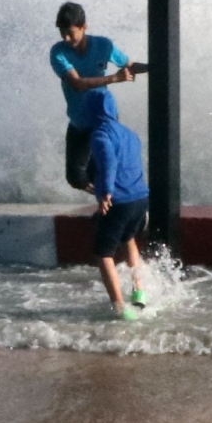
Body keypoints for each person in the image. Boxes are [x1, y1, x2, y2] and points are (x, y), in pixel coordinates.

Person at [49, 2, 146, 193]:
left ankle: (116, 203)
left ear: (84, 27)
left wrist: (156, 66)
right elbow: (77, 84)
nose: (67, 38)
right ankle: (109, 199)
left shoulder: (104, 45)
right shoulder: (58, 52)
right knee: (76, 178)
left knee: (103, 171)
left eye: (71, 33)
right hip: (79, 121)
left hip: (104, 119)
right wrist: (114, 78)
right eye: (63, 33)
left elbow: (130, 65)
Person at [83, 87, 149, 320]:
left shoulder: (101, 134)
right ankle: (139, 290)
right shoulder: (130, 133)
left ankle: (120, 307)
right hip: (140, 197)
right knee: (128, 238)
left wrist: (106, 192)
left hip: (119, 201)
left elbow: (109, 162)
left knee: (103, 253)